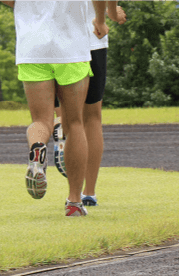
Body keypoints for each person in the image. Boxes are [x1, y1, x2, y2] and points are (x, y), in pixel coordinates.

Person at [5, 0, 109, 217]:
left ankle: (37, 149)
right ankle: (74, 201)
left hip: (32, 47)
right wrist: (100, 20)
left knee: (40, 121)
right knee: (74, 124)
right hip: (72, 48)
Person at [51, 2, 126, 207]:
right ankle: (88, 193)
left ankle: (60, 125)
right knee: (92, 116)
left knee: (67, 114)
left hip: (51, 40)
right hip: (91, 37)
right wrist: (109, 13)